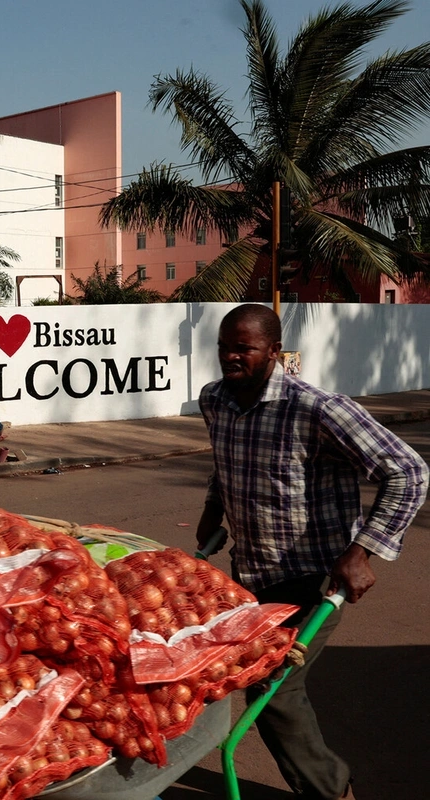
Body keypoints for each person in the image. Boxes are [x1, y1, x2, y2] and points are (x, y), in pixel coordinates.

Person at [195, 304, 427, 800]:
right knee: (254, 678)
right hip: (251, 573)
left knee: (272, 686)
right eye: (223, 347)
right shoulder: (215, 399)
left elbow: (408, 472)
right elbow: (226, 461)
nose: (230, 357)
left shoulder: (319, 408)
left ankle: (330, 790)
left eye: (244, 348)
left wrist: (363, 551)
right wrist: (214, 509)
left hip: (314, 579)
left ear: (274, 351)